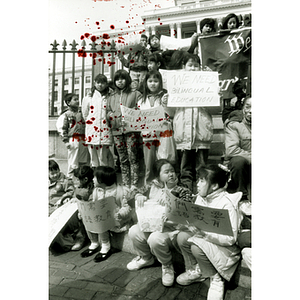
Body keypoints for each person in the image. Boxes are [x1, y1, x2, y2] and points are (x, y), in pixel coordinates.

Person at [176, 164, 243, 300]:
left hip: (225, 248)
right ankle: (198, 270)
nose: (197, 184)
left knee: (196, 247)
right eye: (198, 179)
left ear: (214, 186)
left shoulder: (227, 204)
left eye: (202, 180)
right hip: (205, 239)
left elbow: (230, 239)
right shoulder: (202, 197)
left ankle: (216, 278)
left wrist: (205, 234)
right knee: (182, 237)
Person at [126, 159, 193, 287]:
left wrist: (171, 198)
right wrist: (138, 196)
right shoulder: (152, 186)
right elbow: (132, 194)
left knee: (155, 238)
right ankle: (146, 258)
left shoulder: (183, 189)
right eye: (166, 172)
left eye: (172, 171)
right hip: (151, 225)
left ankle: (167, 265)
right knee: (134, 231)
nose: (171, 174)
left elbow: (187, 209)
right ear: (158, 176)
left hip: (171, 229)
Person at [170, 53, 214, 193]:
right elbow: (170, 111)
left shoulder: (206, 82)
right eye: (190, 65)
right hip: (183, 135)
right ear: (184, 67)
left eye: (196, 65)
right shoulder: (176, 82)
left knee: (201, 169)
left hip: (201, 135)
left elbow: (216, 107)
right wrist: (166, 101)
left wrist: (212, 85)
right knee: (185, 170)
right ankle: (187, 195)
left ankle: (201, 195)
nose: (193, 68)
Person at [79, 166, 133, 262]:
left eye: (95, 177)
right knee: (86, 217)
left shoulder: (119, 191)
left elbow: (127, 208)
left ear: (102, 179)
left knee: (101, 221)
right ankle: (94, 242)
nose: (93, 179)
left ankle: (105, 246)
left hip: (116, 221)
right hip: (104, 219)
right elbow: (93, 205)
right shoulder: (97, 190)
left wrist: (120, 214)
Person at [107, 69, 143, 189]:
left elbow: (141, 109)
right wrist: (110, 115)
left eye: (122, 79)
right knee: (122, 159)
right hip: (117, 130)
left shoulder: (135, 94)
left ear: (127, 79)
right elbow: (107, 111)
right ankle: (126, 184)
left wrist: (133, 112)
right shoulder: (111, 97)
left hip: (131, 131)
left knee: (133, 157)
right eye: (117, 79)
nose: (120, 81)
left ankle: (134, 184)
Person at [138, 70, 172, 185]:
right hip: (147, 136)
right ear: (146, 83)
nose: (153, 84)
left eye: (156, 81)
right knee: (148, 164)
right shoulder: (141, 99)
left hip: (162, 135)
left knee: (163, 162)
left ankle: (165, 186)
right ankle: (149, 187)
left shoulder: (165, 96)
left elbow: (170, 113)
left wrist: (165, 104)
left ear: (160, 82)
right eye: (150, 81)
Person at [49, 160, 85, 252]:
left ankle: (73, 241)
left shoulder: (64, 181)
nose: (55, 175)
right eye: (52, 173)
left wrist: (64, 198)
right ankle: (63, 241)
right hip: (50, 209)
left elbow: (70, 191)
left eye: (56, 172)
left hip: (61, 207)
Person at [81, 74, 114, 169]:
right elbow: (85, 114)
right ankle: (95, 177)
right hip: (92, 130)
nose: (100, 85)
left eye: (103, 83)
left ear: (106, 84)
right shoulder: (88, 98)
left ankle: (104, 176)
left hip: (105, 130)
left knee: (104, 157)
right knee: (93, 157)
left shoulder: (110, 97)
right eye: (98, 82)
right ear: (94, 83)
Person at [224, 96, 251, 200]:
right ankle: (242, 197)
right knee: (238, 161)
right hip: (242, 164)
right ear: (243, 109)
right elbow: (231, 150)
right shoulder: (234, 125)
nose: (251, 111)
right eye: (248, 107)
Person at [60, 93, 87, 177]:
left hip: (83, 138)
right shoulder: (66, 114)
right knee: (73, 160)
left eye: (78, 99)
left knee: (83, 160)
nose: (77, 101)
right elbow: (63, 128)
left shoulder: (82, 112)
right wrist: (66, 141)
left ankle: (81, 179)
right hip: (73, 139)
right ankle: (70, 180)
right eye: (75, 99)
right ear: (68, 102)